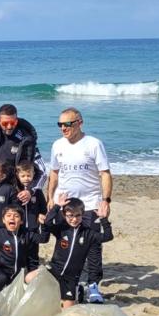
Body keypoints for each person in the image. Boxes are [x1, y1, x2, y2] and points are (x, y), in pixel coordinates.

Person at [46, 107, 113, 302]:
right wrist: (50, 197)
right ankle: (62, 279)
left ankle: (93, 285)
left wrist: (105, 200)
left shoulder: (93, 144)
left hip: (90, 204)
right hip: (65, 203)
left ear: (79, 123)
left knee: (93, 246)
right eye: (60, 125)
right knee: (63, 242)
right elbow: (54, 173)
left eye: (67, 124)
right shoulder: (57, 145)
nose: (63, 128)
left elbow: (105, 173)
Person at [33, 195, 113, 308]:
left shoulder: (88, 233)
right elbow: (47, 222)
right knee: (29, 278)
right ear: (64, 215)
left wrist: (103, 219)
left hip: (71, 278)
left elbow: (108, 236)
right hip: (54, 269)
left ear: (83, 215)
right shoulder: (61, 229)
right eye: (70, 216)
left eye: (78, 215)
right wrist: (57, 206)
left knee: (67, 310)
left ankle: (77, 291)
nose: (74, 219)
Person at [0, 205, 48, 297]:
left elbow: (43, 239)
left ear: (21, 221)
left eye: (16, 216)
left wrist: (44, 225)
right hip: (1, 272)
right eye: (8, 215)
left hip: (18, 273)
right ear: (3, 220)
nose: (12, 218)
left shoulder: (26, 234)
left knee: (13, 298)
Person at [0, 104, 47, 183]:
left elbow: (42, 171)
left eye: (13, 123)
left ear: (17, 120)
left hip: (13, 188)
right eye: (5, 123)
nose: (9, 127)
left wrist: (30, 191)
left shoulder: (26, 140)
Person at [15, 161, 48, 270]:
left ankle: (32, 275)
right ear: (18, 176)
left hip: (33, 229)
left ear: (34, 175)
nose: (26, 178)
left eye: (29, 175)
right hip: (19, 230)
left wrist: (41, 215)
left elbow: (43, 207)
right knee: (20, 255)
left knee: (33, 256)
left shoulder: (37, 191)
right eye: (23, 176)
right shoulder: (15, 191)